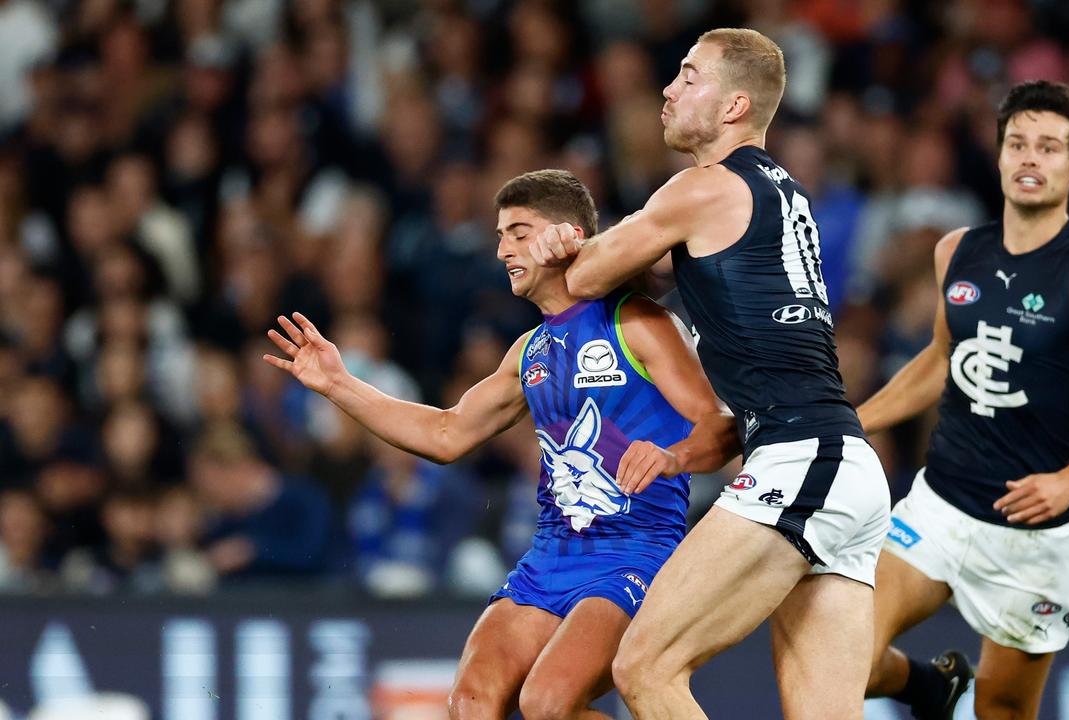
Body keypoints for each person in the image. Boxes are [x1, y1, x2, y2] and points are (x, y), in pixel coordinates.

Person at [263, 169, 738, 720]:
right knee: (470, 703)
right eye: (499, 235)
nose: (503, 249)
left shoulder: (635, 321)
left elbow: (722, 424)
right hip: (549, 558)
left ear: (566, 236)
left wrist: (673, 456)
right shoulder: (529, 351)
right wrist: (338, 384)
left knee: (547, 703)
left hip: (635, 554)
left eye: (519, 232)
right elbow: (446, 434)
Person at [531, 28, 891, 719]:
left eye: (689, 77)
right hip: (844, 467)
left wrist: (565, 241)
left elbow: (582, 280)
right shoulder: (778, 191)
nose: (667, 90)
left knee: (646, 666)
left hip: (795, 459)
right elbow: (666, 275)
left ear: (733, 107)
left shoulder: (701, 188)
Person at [856, 81, 1069, 719]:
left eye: (1049, 148)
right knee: (845, 655)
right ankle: (928, 687)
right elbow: (943, 359)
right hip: (939, 502)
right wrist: (853, 420)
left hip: (1032, 534)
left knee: (1002, 709)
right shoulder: (957, 250)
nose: (1031, 158)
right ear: (999, 156)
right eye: (1018, 144)